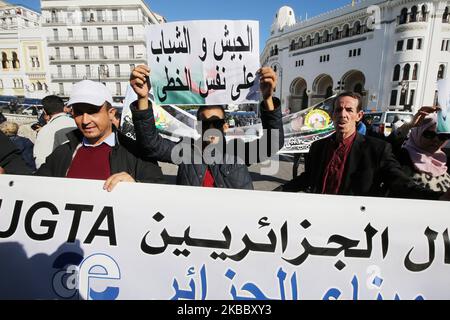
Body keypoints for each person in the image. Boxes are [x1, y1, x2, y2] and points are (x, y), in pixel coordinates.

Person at [129, 65, 284, 190]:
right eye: (205, 123)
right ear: (198, 127)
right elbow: (150, 144)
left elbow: (273, 143)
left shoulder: (238, 151)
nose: (210, 128)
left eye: (216, 122)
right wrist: (143, 98)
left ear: (224, 126)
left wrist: (268, 98)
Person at [277, 92, 450, 200]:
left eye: (349, 110)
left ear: (359, 115)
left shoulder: (376, 149)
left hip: (356, 228)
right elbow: (308, 178)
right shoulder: (318, 147)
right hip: (319, 220)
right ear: (332, 115)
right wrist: (276, 192)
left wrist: (438, 197)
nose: (343, 115)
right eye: (338, 110)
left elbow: (399, 182)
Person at [36, 80, 166, 192]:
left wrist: (136, 187)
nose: (85, 120)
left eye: (93, 112)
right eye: (79, 113)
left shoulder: (137, 153)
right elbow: (32, 187)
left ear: (111, 113)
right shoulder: (62, 153)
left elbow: (162, 194)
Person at [387, 107, 450, 194]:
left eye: (442, 136)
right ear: (417, 132)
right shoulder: (403, 156)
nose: (436, 140)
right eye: (429, 134)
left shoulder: (444, 159)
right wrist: (408, 126)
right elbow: (385, 150)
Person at [33, 95, 77, 169]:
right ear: (63, 108)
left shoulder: (46, 130)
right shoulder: (76, 123)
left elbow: (41, 160)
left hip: (59, 173)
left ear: (44, 111)